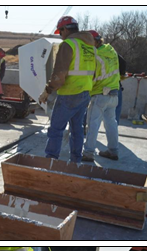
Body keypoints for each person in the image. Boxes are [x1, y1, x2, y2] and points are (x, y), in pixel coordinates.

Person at [39, 16, 96, 163]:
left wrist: (48, 90)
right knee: (77, 131)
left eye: (60, 32)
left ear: (65, 29)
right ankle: (76, 162)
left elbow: (59, 74)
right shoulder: (89, 46)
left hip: (69, 94)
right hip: (85, 94)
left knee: (56, 130)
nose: (60, 35)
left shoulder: (68, 44)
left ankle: (51, 162)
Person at [82, 30, 121, 162]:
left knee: (92, 124)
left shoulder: (94, 55)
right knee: (111, 124)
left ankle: (88, 153)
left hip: (100, 94)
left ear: (94, 41)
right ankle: (113, 151)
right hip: (114, 94)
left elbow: (89, 75)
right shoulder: (111, 51)